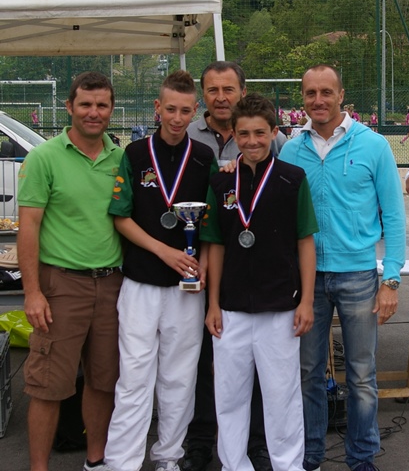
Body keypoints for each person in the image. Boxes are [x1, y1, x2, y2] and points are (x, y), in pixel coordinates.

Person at [279, 64, 406, 471]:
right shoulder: (291, 149)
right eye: (310, 93)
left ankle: (362, 457)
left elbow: (395, 216)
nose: (318, 100)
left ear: (341, 95)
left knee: (362, 376)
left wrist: (391, 278)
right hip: (308, 278)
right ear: (303, 97)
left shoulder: (373, 146)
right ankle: (310, 456)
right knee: (308, 374)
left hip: (357, 276)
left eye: (326, 92)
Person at [104, 71, 218, 471]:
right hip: (140, 285)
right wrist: (163, 251)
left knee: (179, 379)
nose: (177, 117)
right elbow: (121, 218)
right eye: (170, 109)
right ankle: (122, 462)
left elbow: (208, 228)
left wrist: (200, 270)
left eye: (186, 111)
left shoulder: (204, 159)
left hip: (186, 291)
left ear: (195, 111)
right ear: (157, 108)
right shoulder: (134, 154)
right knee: (134, 377)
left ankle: (169, 457)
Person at [202, 93, 318, 471]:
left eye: (260, 133)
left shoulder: (292, 179)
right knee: (230, 395)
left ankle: (288, 465)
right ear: (233, 134)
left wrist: (306, 302)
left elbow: (305, 242)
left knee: (282, 394)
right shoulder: (221, 184)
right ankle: (234, 465)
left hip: (280, 307)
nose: (252, 141)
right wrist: (213, 304)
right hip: (232, 308)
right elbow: (215, 246)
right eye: (244, 134)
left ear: (274, 132)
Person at [17, 71, 124, 471]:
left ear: (111, 110)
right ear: (69, 107)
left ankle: (95, 461)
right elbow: (28, 228)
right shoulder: (44, 157)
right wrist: (32, 292)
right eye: (85, 104)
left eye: (101, 105)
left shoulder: (121, 159)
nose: (93, 113)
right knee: (48, 385)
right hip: (60, 285)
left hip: (112, 284)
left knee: (102, 381)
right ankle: (38, 467)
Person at [186, 60, 285, 471]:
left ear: (242, 92)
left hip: (253, 271)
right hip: (198, 264)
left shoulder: (264, 137)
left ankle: (257, 444)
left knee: (255, 364)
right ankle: (201, 441)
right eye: (213, 90)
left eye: (229, 89)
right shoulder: (187, 134)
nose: (221, 97)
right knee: (207, 361)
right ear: (202, 96)